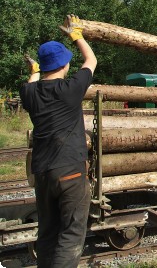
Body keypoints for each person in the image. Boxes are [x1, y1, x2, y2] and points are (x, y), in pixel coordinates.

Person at [20, 15, 97, 267]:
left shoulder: (29, 93)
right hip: (70, 173)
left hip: (42, 173)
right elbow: (91, 60)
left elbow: (33, 81)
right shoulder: (70, 89)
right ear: (64, 64)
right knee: (71, 235)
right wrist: (77, 36)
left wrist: (35, 71)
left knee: (48, 232)